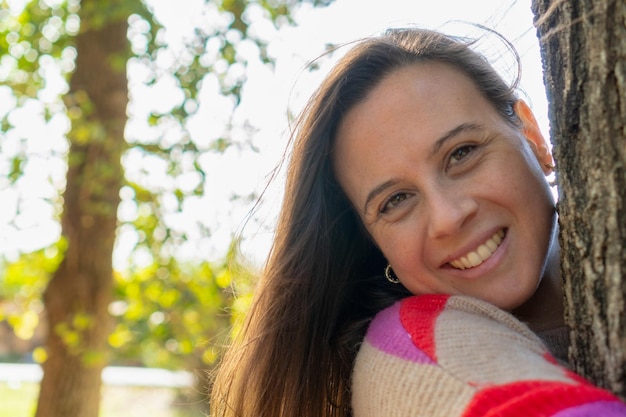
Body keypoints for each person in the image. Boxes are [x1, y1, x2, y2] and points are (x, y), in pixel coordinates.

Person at [210, 27, 626, 417]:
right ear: (373, 243)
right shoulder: (411, 352)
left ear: (533, 137)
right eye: (396, 201)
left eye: (462, 153)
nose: (448, 217)